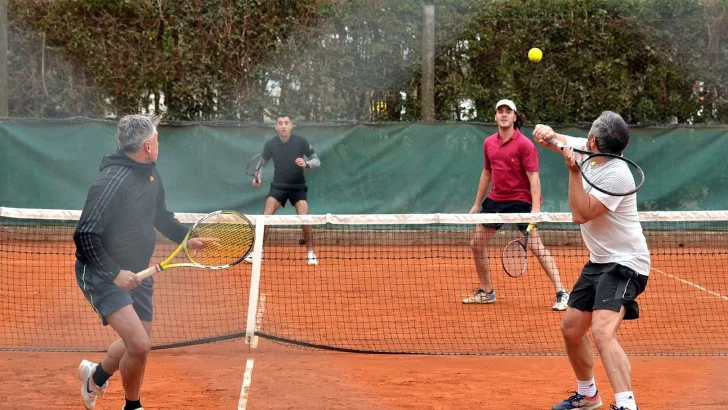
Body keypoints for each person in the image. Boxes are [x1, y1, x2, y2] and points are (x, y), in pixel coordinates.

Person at [73, 115, 212, 410]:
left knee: (137, 344)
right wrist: (114, 274)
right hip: (100, 271)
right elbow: (84, 235)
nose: (159, 143)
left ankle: (94, 377)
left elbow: (159, 214)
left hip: (138, 269)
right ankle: (132, 406)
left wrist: (185, 238)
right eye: (158, 138)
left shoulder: (150, 172)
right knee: (139, 343)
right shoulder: (111, 183)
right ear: (148, 146)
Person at [533, 111, 650, 410]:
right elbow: (558, 142)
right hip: (599, 261)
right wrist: (546, 133)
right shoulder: (590, 150)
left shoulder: (617, 174)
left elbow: (581, 214)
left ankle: (626, 404)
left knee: (601, 330)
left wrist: (573, 173)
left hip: (626, 263)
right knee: (572, 328)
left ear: (594, 140)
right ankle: (588, 395)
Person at [462, 99, 569, 311]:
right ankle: (486, 292)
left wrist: (535, 211)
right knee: (476, 244)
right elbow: (486, 173)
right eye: (500, 111)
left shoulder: (525, 145)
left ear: (514, 116)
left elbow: (534, 177)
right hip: (496, 200)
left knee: (537, 247)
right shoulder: (489, 143)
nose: (503, 114)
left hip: (520, 201)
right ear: (495, 116)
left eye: (507, 111)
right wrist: (476, 204)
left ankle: (562, 292)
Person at [245, 114, 321, 265]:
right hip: (278, 186)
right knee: (266, 216)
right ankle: (257, 252)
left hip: (298, 187)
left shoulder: (301, 142)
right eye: (280, 123)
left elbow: (317, 161)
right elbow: (262, 164)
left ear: (291, 125)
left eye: (286, 123)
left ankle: (311, 253)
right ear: (276, 127)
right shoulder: (271, 144)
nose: (284, 126)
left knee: (304, 218)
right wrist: (257, 177)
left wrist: (306, 164)